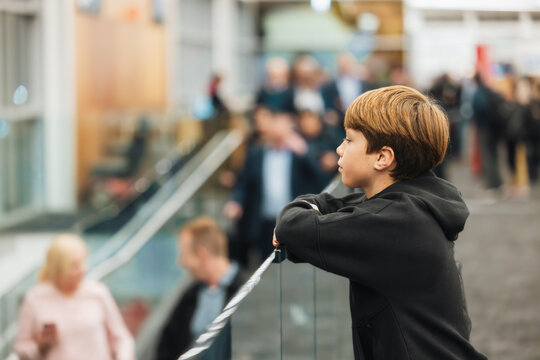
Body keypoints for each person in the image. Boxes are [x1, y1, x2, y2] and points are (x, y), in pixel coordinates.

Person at [273, 86, 487, 360]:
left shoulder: (392, 224)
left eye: (349, 140)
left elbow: (292, 227)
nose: (339, 148)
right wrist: (316, 207)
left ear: (383, 157)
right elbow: (350, 206)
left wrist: (307, 208)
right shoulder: (411, 207)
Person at [14, 234, 135, 360]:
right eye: (74, 265)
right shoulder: (35, 298)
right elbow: (21, 347)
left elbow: (121, 338)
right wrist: (41, 346)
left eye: (82, 262)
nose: (82, 270)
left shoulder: (97, 292)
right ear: (58, 269)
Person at [156, 216, 245, 360]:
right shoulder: (191, 295)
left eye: (184, 254)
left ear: (201, 254)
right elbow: (167, 345)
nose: (181, 262)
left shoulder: (246, 288)